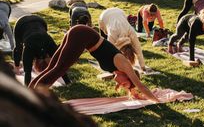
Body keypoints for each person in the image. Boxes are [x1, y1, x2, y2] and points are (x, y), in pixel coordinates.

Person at [28, 25, 158, 102]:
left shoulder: (118, 70)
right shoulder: (124, 64)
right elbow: (141, 86)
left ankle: (29, 93)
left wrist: (132, 91)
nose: (118, 84)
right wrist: (156, 100)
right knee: (59, 70)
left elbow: (133, 87)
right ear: (128, 75)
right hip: (82, 35)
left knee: (53, 68)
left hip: (80, 33)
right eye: (123, 83)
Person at [13, 15, 70, 86]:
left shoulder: (31, 47)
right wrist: (17, 66)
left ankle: (68, 82)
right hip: (30, 23)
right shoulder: (42, 44)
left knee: (26, 66)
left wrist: (17, 66)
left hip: (35, 22)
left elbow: (18, 51)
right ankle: (68, 82)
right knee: (57, 61)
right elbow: (60, 64)